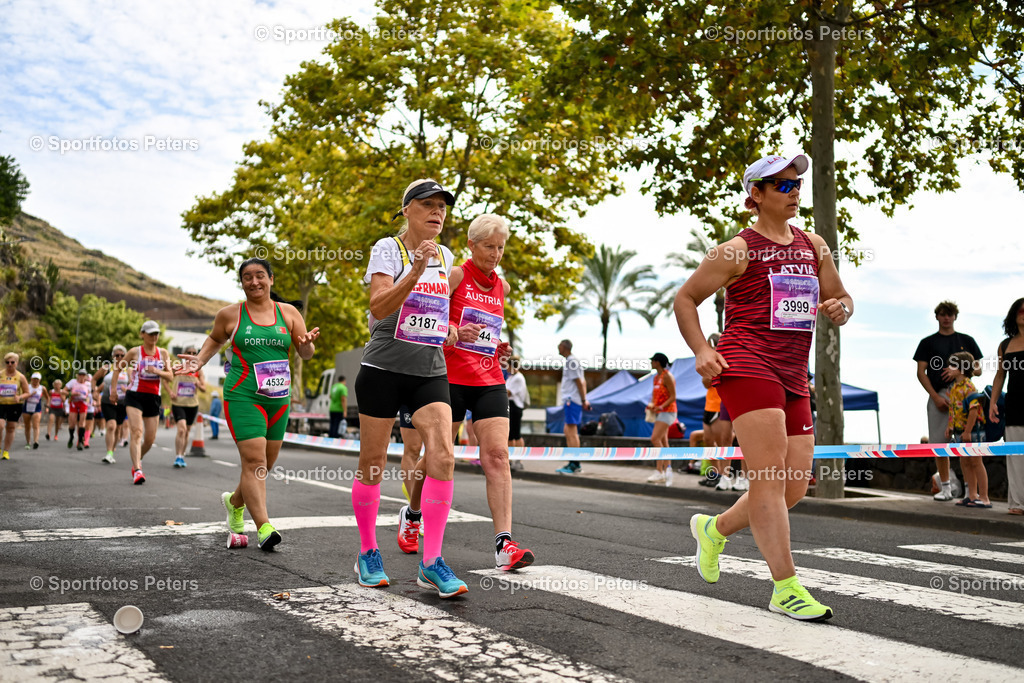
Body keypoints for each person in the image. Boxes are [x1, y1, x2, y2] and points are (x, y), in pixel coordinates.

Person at [675, 153, 853, 622]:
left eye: (797, 185)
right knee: (769, 478)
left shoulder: (815, 245)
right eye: (784, 186)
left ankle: (714, 529)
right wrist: (701, 350)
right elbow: (686, 298)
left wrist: (841, 308)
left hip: (795, 372)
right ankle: (785, 587)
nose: (795, 192)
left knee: (792, 486)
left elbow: (840, 294)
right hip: (748, 365)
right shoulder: (737, 249)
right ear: (756, 195)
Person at [353, 177, 468, 598]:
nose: (437, 212)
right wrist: (415, 270)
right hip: (383, 366)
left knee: (444, 456)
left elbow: (434, 312)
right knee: (373, 463)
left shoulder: (448, 255)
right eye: (427, 205)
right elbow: (379, 305)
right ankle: (367, 552)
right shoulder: (388, 249)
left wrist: (452, 329)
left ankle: (432, 561)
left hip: (429, 368)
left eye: (442, 206)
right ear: (407, 210)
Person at [400, 213, 534, 572]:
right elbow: (428, 317)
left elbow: (487, 332)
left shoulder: (502, 287)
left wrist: (497, 345)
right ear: (472, 245)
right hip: (448, 377)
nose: (495, 253)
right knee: (437, 457)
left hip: (489, 379)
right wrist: (456, 330)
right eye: (488, 246)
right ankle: (412, 514)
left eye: (501, 247)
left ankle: (504, 544)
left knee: (498, 456)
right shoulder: (455, 275)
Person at [178, 257, 318, 551]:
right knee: (254, 463)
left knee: (263, 466)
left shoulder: (289, 313)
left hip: (278, 400)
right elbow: (215, 341)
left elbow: (306, 353)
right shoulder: (230, 315)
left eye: (259, 276)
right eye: (247, 277)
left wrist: (305, 344)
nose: (254, 282)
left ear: (271, 279)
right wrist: (199, 361)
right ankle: (265, 527)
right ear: (241, 283)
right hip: (244, 395)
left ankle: (234, 502)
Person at [913, 301, 982, 501]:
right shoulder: (927, 342)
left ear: (955, 317)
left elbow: (977, 370)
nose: (946, 318)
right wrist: (935, 397)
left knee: (965, 443)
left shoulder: (966, 340)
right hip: (939, 396)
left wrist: (959, 370)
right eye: (942, 314)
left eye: (950, 314)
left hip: (963, 396)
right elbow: (920, 372)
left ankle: (971, 491)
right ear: (937, 317)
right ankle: (946, 488)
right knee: (938, 443)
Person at [112, 320, 174, 484]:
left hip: (153, 398)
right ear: (142, 334)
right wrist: (113, 390)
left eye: (156, 333)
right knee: (137, 432)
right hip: (135, 395)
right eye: (150, 333)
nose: (154, 336)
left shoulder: (163, 354)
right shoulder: (135, 352)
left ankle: (137, 460)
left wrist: (157, 371)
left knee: (150, 439)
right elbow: (118, 369)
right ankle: (137, 469)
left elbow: (170, 376)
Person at [990, 297, 1024, 515]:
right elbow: (1000, 375)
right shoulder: (1005, 345)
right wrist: (993, 401)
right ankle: (1017, 504)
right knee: (1015, 456)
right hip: (1015, 405)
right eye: (1020, 310)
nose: (1023, 312)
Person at [945, 351, 991, 508]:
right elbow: (953, 409)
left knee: (976, 462)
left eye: (952, 365)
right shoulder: (953, 388)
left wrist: (967, 431)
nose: (948, 368)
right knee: (964, 462)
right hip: (960, 432)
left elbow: (974, 410)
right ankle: (971, 495)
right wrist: (950, 427)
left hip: (973, 432)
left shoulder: (969, 387)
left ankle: (984, 497)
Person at [555, 340, 591, 475]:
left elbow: (579, 382)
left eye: (559, 346)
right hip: (573, 400)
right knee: (568, 430)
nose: (557, 348)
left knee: (571, 432)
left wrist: (583, 400)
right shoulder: (572, 361)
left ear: (564, 347)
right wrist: (583, 399)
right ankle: (574, 462)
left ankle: (575, 464)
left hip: (572, 400)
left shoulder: (571, 361)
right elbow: (583, 381)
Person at [170, 346, 206, 468]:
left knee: (187, 431)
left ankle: (182, 455)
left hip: (192, 404)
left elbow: (204, 388)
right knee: (181, 429)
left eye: (194, 353)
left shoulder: (198, 370)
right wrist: (170, 391)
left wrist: (198, 383)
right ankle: (178, 456)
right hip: (178, 403)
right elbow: (165, 379)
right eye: (189, 353)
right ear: (184, 354)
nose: (191, 354)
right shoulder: (178, 367)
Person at [646, 352, 677, 485]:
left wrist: (661, 406)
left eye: (652, 360)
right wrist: (652, 405)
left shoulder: (667, 376)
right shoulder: (656, 377)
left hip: (668, 412)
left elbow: (673, 396)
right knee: (663, 442)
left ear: (657, 362)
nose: (651, 362)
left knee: (655, 439)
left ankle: (659, 471)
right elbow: (654, 395)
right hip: (660, 412)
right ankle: (667, 471)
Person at [95, 345, 129, 465]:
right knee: (111, 425)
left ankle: (112, 450)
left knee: (118, 428)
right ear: (113, 356)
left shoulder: (128, 370)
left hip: (122, 403)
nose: (119, 357)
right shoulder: (107, 367)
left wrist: (128, 390)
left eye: (122, 355)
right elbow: (94, 379)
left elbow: (134, 384)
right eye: (116, 355)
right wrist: (93, 392)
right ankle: (109, 453)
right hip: (107, 401)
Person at [1, 353, 31, 460]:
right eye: (7, 362)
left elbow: (27, 392)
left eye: (12, 362)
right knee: (0, 425)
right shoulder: (0, 374)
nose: (10, 364)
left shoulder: (21, 377)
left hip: (15, 405)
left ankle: (6, 451)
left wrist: (20, 396)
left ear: (16, 363)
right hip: (1, 404)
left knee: (11, 428)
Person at [506, 355, 528, 460]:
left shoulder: (518, 378)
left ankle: (518, 457)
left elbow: (508, 393)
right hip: (512, 407)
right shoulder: (512, 377)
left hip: (515, 407)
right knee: (511, 434)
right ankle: (512, 457)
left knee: (515, 434)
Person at [65, 368, 93, 451]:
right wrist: (71, 393)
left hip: (83, 403)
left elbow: (90, 395)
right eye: (80, 375)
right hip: (74, 403)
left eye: (83, 375)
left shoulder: (88, 384)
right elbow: (63, 391)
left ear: (85, 376)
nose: (81, 377)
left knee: (82, 422)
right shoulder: (73, 382)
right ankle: (71, 437)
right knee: (72, 423)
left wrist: (89, 401)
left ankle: (80, 441)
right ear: (78, 375)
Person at [22, 372, 48, 449]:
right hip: (27, 407)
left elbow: (47, 398)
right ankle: (28, 442)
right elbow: (23, 396)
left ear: (39, 380)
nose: (35, 381)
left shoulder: (42, 388)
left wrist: (47, 407)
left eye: (37, 379)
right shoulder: (27, 387)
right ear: (31, 379)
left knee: (35, 425)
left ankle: (36, 441)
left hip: (37, 407)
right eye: (34, 379)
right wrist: (30, 394)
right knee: (27, 426)